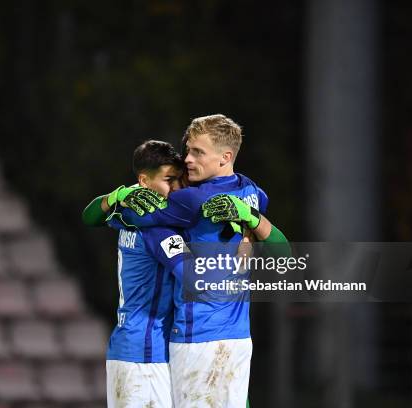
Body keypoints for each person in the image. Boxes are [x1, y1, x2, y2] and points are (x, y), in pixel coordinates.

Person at [98, 114, 289, 407]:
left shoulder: (190, 201)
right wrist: (250, 223)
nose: (188, 159)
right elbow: (284, 254)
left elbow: (127, 216)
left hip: (197, 337)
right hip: (237, 337)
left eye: (197, 152)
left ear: (225, 157)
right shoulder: (250, 191)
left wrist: (118, 202)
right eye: (188, 150)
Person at [82, 140, 185, 408]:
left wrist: (117, 196)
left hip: (127, 348)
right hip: (145, 355)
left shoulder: (127, 215)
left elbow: (90, 216)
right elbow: (196, 277)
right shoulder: (156, 229)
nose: (176, 188)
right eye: (169, 180)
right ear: (144, 180)